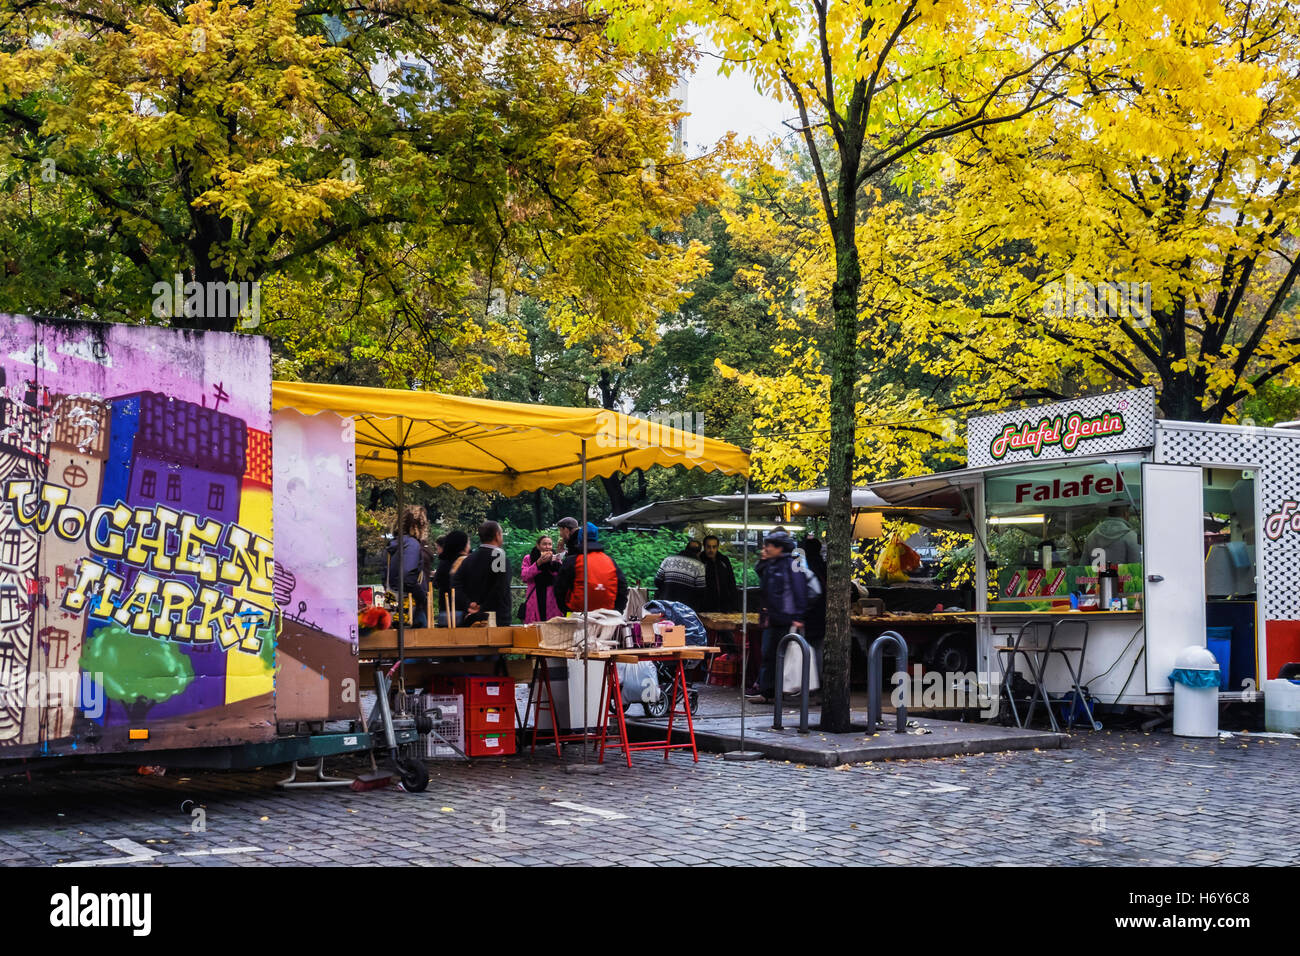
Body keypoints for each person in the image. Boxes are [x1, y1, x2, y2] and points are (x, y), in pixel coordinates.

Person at [748, 531, 808, 703]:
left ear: (779, 547)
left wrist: (798, 615)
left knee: (781, 655)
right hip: (772, 617)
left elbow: (799, 590)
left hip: (786, 617)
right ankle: (768, 692)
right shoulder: (772, 564)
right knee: (768, 654)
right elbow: (761, 577)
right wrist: (763, 560)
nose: (765, 548)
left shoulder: (792, 564)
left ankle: (778, 691)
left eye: (769, 545)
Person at [554, 522, 628, 613]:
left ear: (580, 538)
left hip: (578, 615)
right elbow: (622, 588)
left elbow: (559, 590)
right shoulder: (610, 561)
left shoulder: (572, 561)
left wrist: (566, 611)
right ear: (596, 538)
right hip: (607, 616)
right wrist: (617, 611)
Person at [452, 520, 512, 625]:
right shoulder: (500, 558)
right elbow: (501, 587)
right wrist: (483, 607)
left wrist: (469, 604)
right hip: (496, 618)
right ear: (497, 535)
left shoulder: (468, 560)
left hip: (472, 618)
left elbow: (455, 584)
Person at [386, 506, 433, 627]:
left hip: (394, 605)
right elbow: (407, 576)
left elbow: (385, 576)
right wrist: (422, 596)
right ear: (421, 525)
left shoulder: (392, 545)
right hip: (412, 607)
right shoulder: (412, 544)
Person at [520, 533, 562, 623]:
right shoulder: (529, 558)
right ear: (538, 545)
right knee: (535, 628)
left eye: (550, 544)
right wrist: (538, 564)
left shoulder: (555, 558)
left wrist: (556, 561)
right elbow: (524, 576)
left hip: (552, 599)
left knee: (552, 626)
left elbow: (561, 576)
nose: (547, 547)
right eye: (544, 544)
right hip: (535, 596)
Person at [653, 539, 707, 607]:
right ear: (699, 553)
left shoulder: (668, 560)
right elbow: (701, 591)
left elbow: (657, 581)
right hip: (685, 609)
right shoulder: (699, 566)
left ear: (686, 548)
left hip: (665, 605)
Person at [434, 529, 469, 625]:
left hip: (445, 610)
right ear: (463, 545)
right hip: (463, 611)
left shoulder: (443, 562)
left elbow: (436, 583)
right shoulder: (467, 562)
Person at [699, 534, 739, 612]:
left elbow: (731, 582)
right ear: (704, 546)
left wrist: (735, 606)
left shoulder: (724, 560)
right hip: (705, 606)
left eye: (714, 547)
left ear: (717, 547)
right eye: (708, 547)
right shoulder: (700, 561)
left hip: (724, 605)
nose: (711, 550)